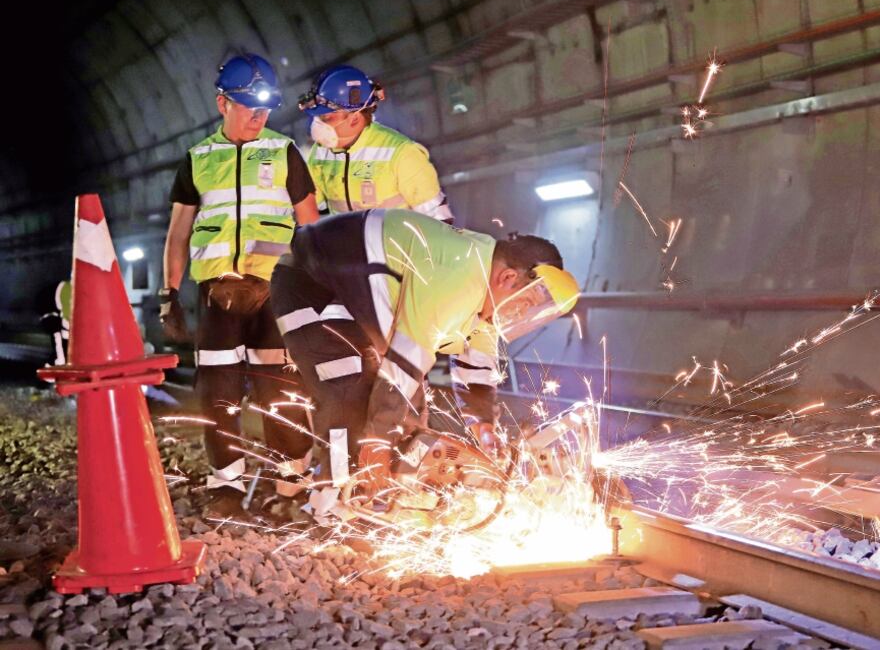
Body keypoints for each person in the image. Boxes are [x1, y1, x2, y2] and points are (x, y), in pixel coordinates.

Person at [268, 208, 578, 521]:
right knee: (349, 392)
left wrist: (485, 426)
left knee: (409, 414)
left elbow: (477, 373)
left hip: (356, 297)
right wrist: (376, 445)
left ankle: (385, 498)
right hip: (310, 284)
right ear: (508, 278)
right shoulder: (458, 277)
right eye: (524, 304)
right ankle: (332, 506)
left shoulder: (485, 290)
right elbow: (402, 370)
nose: (518, 314)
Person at [159, 53, 320, 517]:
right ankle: (225, 489)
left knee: (280, 393)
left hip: (275, 298)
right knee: (219, 398)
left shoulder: (284, 151)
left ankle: (289, 488)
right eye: (248, 106)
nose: (258, 117)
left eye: (265, 108)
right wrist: (168, 295)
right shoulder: (198, 160)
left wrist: (312, 294)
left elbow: (311, 230)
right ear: (222, 103)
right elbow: (179, 233)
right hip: (218, 300)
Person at [298, 64, 453, 221]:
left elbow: (438, 221)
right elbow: (314, 212)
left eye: (327, 118)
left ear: (354, 119)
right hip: (345, 245)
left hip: (394, 245)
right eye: (317, 118)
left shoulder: (402, 153)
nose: (317, 124)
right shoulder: (320, 153)